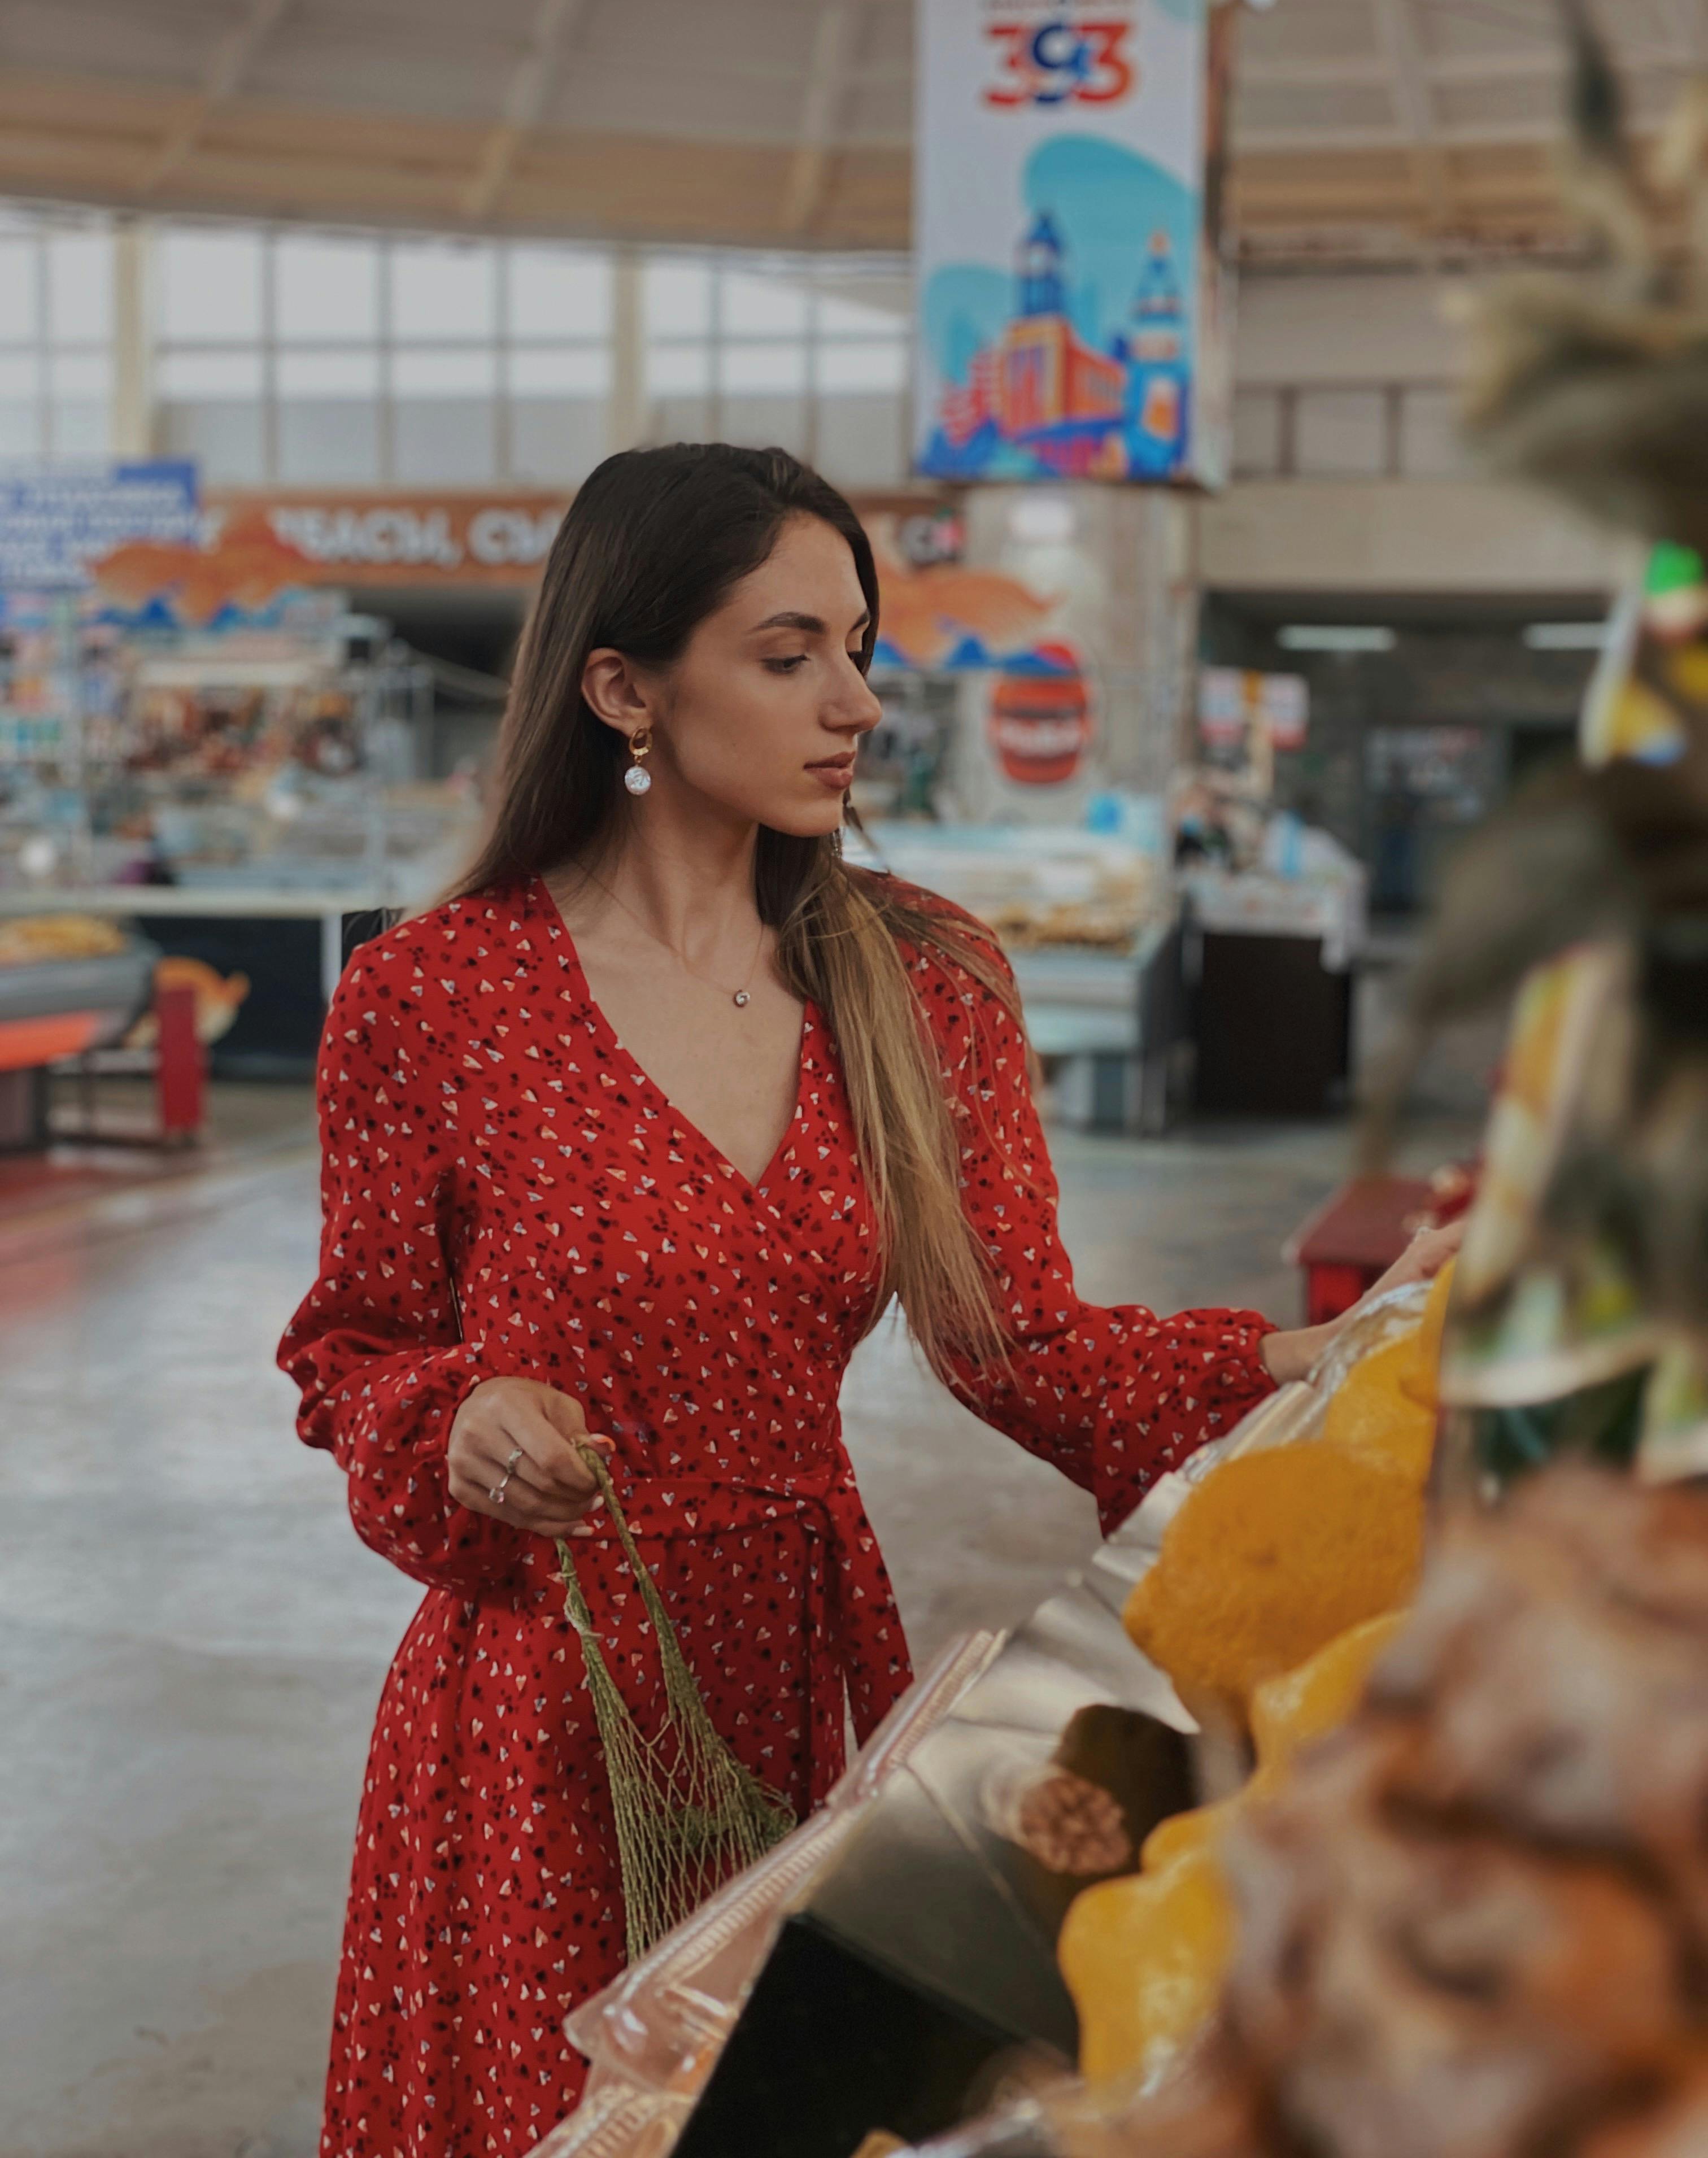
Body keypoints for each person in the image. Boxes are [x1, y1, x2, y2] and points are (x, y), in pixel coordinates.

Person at [279, 445, 1456, 2158]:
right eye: (789, 655)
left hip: (806, 1673)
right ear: (624, 689)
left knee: (764, 2108)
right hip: (539, 1706)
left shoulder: (921, 979)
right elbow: (351, 1349)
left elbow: (1025, 1346)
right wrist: (451, 1416)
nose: (859, 702)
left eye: (861, 646)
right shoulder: (432, 997)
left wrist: (1328, 1353)